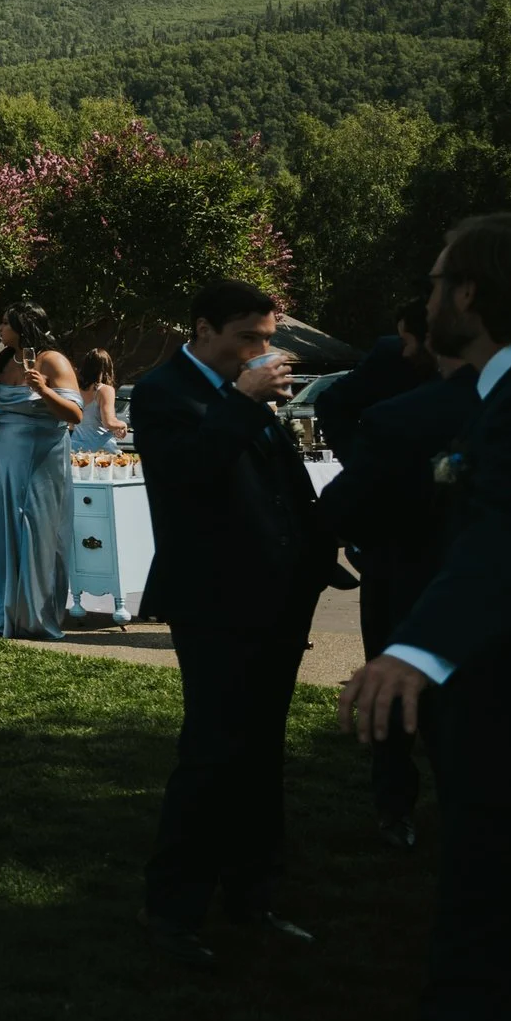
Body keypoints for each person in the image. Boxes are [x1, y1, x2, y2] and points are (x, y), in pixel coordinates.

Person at [341, 213, 511, 1021]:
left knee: (487, 936)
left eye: (433, 280)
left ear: (469, 292)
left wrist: (415, 650)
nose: (424, 300)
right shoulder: (502, 395)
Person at [134, 277, 328, 967]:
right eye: (249, 335)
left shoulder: (247, 393)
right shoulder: (163, 392)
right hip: (213, 599)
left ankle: (254, 895)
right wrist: (244, 402)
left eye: (267, 339)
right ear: (204, 327)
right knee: (213, 752)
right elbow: (188, 475)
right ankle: (174, 910)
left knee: (262, 751)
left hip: (276, 595)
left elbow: (278, 482)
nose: (260, 349)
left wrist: (320, 547)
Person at [317, 344, 477, 849]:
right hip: (404, 560)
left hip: (433, 562)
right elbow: (335, 406)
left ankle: (452, 810)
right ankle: (398, 806)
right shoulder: (393, 385)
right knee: (399, 695)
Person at [0, 304, 85, 641]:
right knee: (4, 531)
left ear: (22, 327)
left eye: (4, 323)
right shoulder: (2, 362)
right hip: (4, 457)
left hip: (41, 458)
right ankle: (4, 613)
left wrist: (44, 390)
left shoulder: (52, 361)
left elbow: (75, 415)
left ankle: (36, 617)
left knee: (37, 532)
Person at [314, 297, 434, 459]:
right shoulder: (391, 355)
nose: (405, 350)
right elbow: (330, 402)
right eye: (403, 341)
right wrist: (360, 462)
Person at [72, 348, 131, 453]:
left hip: (76, 449)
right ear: (106, 368)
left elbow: (71, 424)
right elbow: (109, 422)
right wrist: (123, 424)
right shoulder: (105, 390)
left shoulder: (75, 390)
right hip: (101, 451)